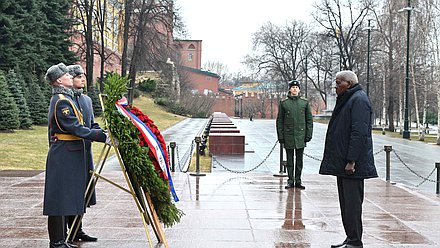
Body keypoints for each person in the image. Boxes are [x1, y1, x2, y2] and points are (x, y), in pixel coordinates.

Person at [43, 63, 108, 248]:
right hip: (64, 153)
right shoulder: (62, 100)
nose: (70, 76)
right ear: (58, 80)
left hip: (70, 153)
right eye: (66, 75)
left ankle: (64, 239)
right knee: (58, 200)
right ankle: (56, 242)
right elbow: (75, 128)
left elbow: (84, 124)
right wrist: (101, 136)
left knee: (66, 197)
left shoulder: (67, 98)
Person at [319, 70, 378, 248]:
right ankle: (350, 238)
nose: (335, 87)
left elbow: (359, 132)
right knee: (346, 205)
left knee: (352, 205)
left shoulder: (358, 100)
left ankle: (355, 241)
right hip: (344, 163)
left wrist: (351, 160)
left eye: (338, 83)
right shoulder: (349, 99)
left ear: (349, 84)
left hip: (352, 165)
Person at [65, 64, 99, 242]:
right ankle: (66, 233)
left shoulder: (86, 100)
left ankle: (77, 229)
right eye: (78, 76)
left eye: (83, 76)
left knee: (83, 193)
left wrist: (102, 132)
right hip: (71, 153)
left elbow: (91, 124)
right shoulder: (65, 100)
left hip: (85, 152)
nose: (82, 79)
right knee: (69, 193)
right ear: (70, 79)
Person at [276, 80, 313, 190]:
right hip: (289, 136)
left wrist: (308, 134)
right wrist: (281, 136)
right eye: (293, 87)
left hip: (300, 136)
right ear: (289, 89)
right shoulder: (284, 103)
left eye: (296, 87)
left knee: (299, 161)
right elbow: (280, 121)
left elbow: (309, 120)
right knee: (290, 160)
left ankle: (298, 180)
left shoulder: (304, 103)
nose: (295, 89)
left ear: (299, 89)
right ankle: (290, 181)